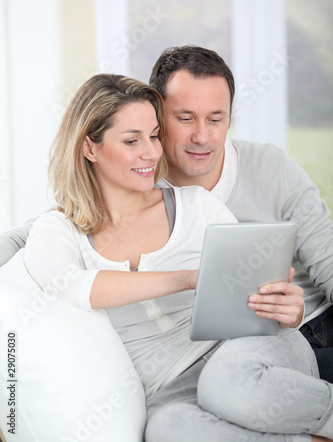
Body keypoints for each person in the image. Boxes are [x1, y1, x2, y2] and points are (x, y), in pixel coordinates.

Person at [6, 72, 331, 441]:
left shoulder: (196, 206)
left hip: (247, 353)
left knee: (228, 384)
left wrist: (290, 310)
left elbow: (262, 292)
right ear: (90, 148)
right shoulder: (57, 230)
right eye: (132, 140)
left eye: (155, 136)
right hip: (170, 387)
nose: (151, 152)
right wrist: (187, 277)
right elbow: (74, 287)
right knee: (167, 430)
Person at [148, 45, 333, 385]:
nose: (202, 137)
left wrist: (300, 310)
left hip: (313, 329)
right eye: (185, 118)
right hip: (214, 357)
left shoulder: (270, 166)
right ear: (156, 117)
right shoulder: (138, 180)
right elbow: (62, 220)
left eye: (216, 119)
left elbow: (329, 260)